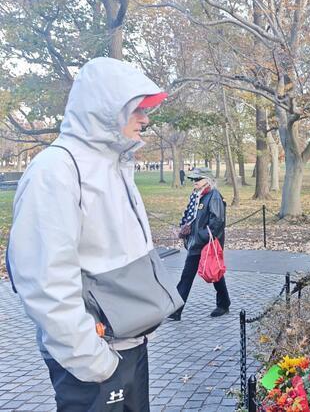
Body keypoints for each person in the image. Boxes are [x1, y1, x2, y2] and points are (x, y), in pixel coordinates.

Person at [7, 57, 180, 410]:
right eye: (136, 109)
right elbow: (44, 281)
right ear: (106, 109)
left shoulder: (115, 165)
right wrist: (93, 362)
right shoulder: (56, 171)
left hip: (128, 350)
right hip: (95, 364)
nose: (145, 119)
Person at [170, 167, 230, 320]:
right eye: (193, 180)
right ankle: (176, 309)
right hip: (196, 243)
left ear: (207, 180)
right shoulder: (197, 196)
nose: (194, 182)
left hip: (206, 243)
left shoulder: (214, 196)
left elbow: (217, 222)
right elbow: (193, 217)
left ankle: (223, 304)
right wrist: (186, 228)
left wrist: (200, 237)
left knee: (214, 273)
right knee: (188, 275)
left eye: (198, 179)